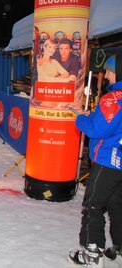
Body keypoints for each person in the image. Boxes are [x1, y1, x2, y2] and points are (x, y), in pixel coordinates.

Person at [69, 54, 122, 266]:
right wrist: (92, 114)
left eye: (109, 70)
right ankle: (119, 247)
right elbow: (112, 123)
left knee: (92, 205)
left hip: (107, 162)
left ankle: (92, 251)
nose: (106, 75)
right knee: (117, 205)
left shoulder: (112, 98)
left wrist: (80, 118)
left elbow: (97, 129)